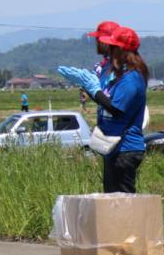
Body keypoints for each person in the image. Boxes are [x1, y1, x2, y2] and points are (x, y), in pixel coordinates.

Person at [57, 26, 148, 193]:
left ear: (121, 51)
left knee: (122, 201)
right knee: (111, 199)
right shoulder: (121, 76)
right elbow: (104, 102)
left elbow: (116, 109)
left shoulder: (131, 79)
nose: (110, 52)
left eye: (113, 48)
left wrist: (94, 89)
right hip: (113, 147)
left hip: (125, 149)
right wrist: (89, 87)